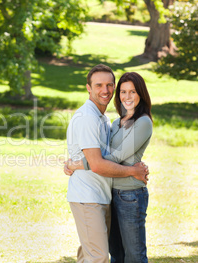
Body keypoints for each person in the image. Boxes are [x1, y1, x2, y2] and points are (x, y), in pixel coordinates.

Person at [65, 71, 153, 263]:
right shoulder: (113, 122)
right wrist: (77, 163)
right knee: (109, 255)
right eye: (123, 91)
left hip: (129, 195)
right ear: (88, 88)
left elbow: (115, 156)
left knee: (133, 255)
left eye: (132, 92)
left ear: (141, 94)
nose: (127, 96)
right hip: (106, 194)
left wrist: (78, 164)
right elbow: (99, 158)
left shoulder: (142, 121)